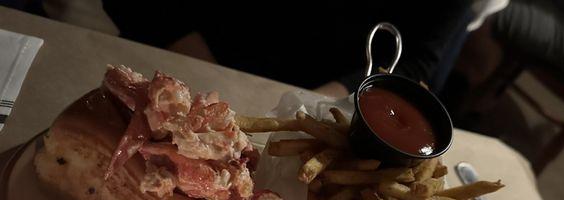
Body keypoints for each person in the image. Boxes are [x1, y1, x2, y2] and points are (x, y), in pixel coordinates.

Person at [102, 1, 471, 97]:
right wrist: (213, 83)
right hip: (183, 59)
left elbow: (415, 61)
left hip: (320, 100)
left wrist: (306, 107)